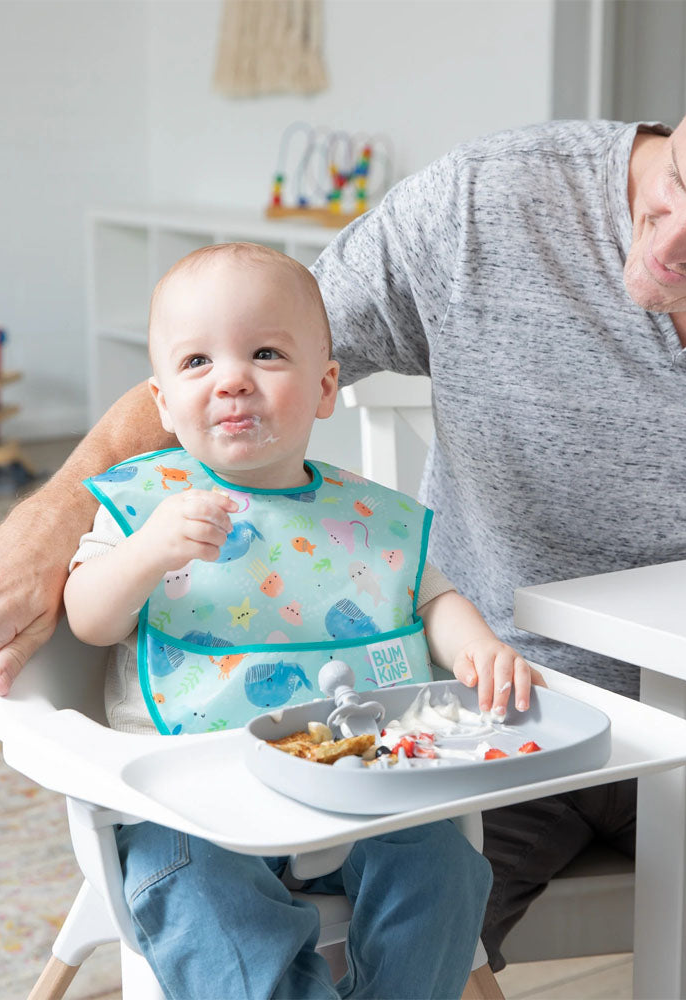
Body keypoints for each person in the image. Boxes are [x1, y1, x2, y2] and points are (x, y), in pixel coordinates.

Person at [0, 0, 686, 996]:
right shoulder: (485, 202)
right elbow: (237, 356)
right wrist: (50, 521)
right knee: (338, 915)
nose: (665, 242)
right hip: (470, 716)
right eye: (675, 179)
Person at [61, 240, 541, 998]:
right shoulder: (143, 508)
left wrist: (476, 643)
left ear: (324, 388)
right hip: (188, 803)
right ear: (160, 403)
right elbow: (87, 619)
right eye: (196, 364)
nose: (231, 381)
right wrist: (147, 554)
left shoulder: (367, 517)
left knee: (447, 870)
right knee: (205, 908)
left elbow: (427, 596)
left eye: (264, 353)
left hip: (358, 780)